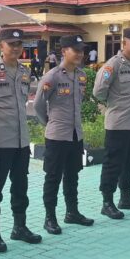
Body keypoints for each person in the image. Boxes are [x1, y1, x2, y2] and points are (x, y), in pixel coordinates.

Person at [0, 28, 43, 252]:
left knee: (20, 185)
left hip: (21, 140)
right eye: (10, 44)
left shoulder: (24, 72)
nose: (15, 48)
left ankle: (19, 227)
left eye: (18, 44)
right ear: (1, 46)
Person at [34, 35, 94, 234]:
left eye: (81, 50)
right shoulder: (52, 76)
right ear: (63, 51)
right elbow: (38, 105)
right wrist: (50, 124)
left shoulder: (81, 75)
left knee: (72, 175)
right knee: (53, 177)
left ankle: (72, 212)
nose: (79, 53)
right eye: (75, 50)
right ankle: (49, 217)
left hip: (75, 134)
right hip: (57, 136)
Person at [93, 28, 130, 219]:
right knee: (113, 164)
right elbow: (99, 91)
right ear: (124, 43)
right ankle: (107, 202)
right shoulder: (113, 65)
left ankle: (126, 197)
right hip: (118, 124)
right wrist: (112, 105)